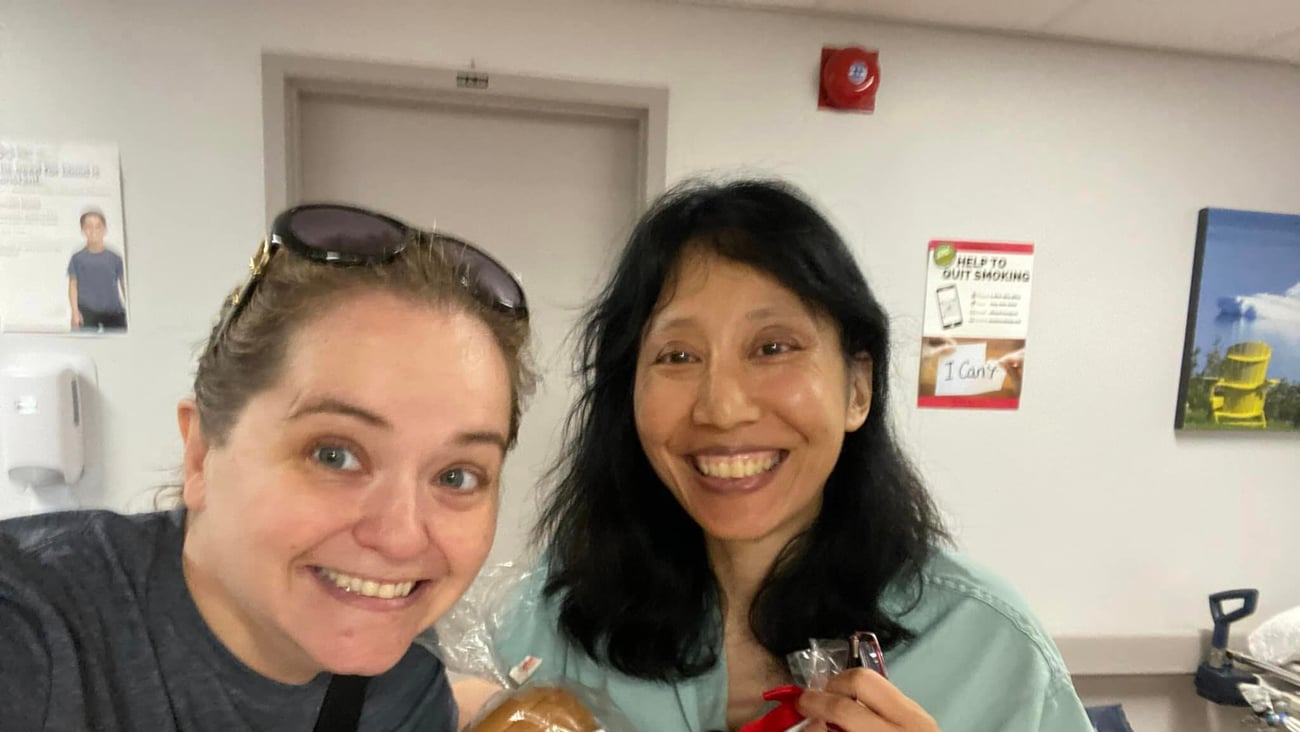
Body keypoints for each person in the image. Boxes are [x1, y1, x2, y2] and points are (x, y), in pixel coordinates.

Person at [464, 179, 1092, 731]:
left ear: (857, 388)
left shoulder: (988, 646)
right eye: (677, 356)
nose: (722, 408)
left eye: (773, 347)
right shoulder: (545, 623)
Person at [1, 204, 534, 731]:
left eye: (456, 476)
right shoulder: (34, 629)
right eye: (335, 454)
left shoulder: (405, 682)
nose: (399, 538)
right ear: (201, 454)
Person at [67, 208, 128, 332]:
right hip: (86, 313)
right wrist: (75, 312)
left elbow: (124, 285)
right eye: (88, 227)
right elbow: (73, 285)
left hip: (113, 313)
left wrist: (133, 311)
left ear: (104, 229)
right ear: (82, 229)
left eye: (97, 227)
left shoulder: (115, 258)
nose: (93, 231)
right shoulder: (77, 258)